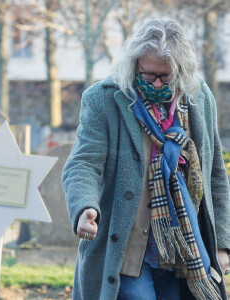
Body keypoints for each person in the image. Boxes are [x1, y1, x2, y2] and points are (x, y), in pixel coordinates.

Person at [62, 18, 230, 300]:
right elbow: (83, 163)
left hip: (183, 248)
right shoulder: (104, 99)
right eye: (148, 75)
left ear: (181, 71)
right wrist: (84, 207)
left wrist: (223, 243)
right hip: (126, 248)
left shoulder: (199, 98)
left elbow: (216, 174)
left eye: (166, 77)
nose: (157, 83)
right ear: (134, 65)